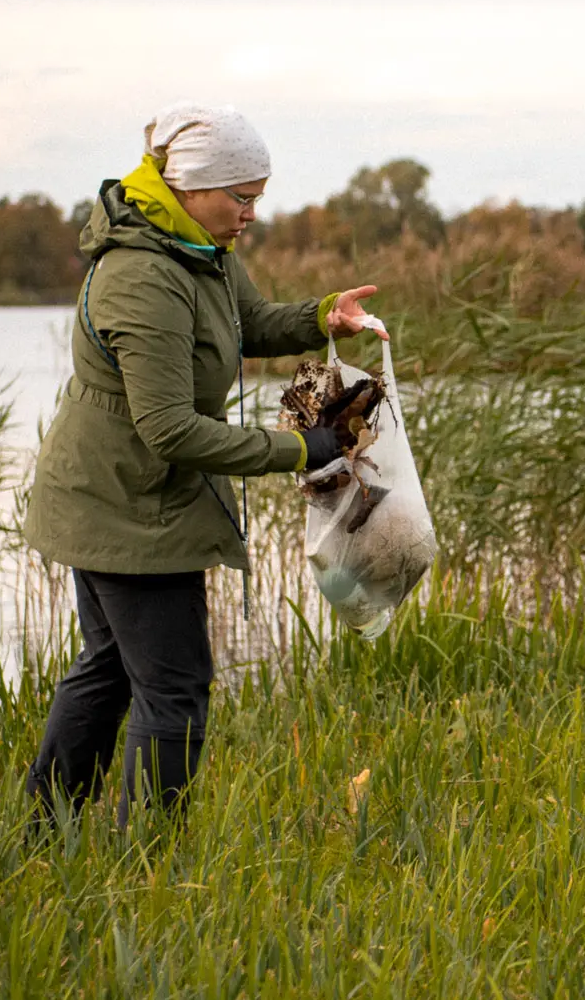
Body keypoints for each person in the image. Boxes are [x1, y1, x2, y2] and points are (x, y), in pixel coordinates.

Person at [22, 102, 384, 829]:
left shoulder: (198, 248)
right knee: (176, 686)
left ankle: (43, 831)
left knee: (110, 667)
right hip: (126, 503)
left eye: (258, 197)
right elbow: (168, 430)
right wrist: (298, 449)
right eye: (240, 197)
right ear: (191, 187)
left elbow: (247, 324)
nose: (251, 213)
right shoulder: (142, 277)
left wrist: (323, 317)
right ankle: (148, 856)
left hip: (125, 494)